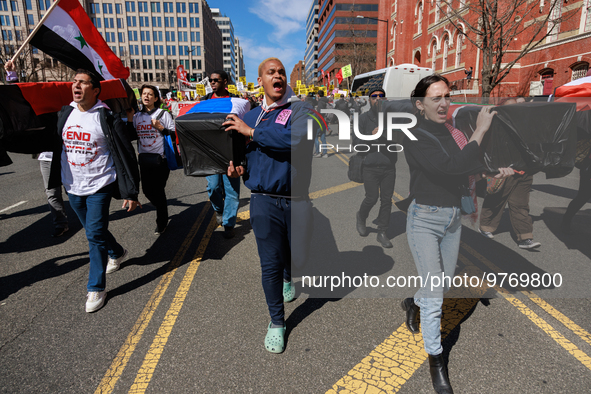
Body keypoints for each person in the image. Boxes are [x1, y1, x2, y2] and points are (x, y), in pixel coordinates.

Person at [401, 74, 512, 393]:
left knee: (443, 281)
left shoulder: (454, 132)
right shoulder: (414, 134)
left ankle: (413, 302)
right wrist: (480, 130)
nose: (443, 103)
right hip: (424, 218)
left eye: (446, 96)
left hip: (452, 218)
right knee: (437, 293)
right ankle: (436, 362)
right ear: (420, 105)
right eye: (435, 98)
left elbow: (466, 166)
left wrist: (493, 170)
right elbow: (447, 168)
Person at [223, 57, 315, 354]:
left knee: (296, 256)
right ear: (260, 81)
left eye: (281, 72)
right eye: (270, 72)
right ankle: (277, 321)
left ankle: (290, 275)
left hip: (297, 200)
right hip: (263, 201)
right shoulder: (248, 117)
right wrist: (238, 167)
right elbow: (242, 157)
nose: (278, 75)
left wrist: (252, 134)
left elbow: (296, 139)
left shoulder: (301, 109)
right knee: (270, 263)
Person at [47, 69, 141, 312]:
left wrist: (131, 192)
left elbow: (126, 154)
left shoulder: (106, 117)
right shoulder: (65, 113)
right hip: (72, 185)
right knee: (93, 230)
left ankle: (96, 288)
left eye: (82, 82)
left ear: (95, 90)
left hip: (100, 184)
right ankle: (117, 252)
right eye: (74, 82)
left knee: (94, 235)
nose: (75, 85)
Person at [4, 60, 70, 236]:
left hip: (69, 156)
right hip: (47, 156)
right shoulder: (34, 109)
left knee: (73, 190)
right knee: (52, 191)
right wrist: (12, 76)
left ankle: (87, 219)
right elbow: (18, 99)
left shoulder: (66, 108)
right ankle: (60, 223)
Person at [478, 98, 540, 249]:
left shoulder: (527, 125)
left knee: (521, 205)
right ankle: (486, 226)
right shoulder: (498, 127)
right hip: (503, 171)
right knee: (497, 200)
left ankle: (525, 237)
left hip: (524, 172)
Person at [355, 88, 397, 248]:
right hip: (370, 167)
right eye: (374, 96)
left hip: (389, 167)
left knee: (386, 200)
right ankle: (361, 216)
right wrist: (371, 137)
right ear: (369, 100)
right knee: (371, 198)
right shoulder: (363, 119)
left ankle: (382, 232)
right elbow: (357, 146)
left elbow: (400, 141)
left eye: (381, 96)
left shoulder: (392, 119)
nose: (378, 99)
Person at [201, 70, 241, 238]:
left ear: (225, 81)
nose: (212, 83)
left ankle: (229, 224)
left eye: (216, 80)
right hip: (210, 152)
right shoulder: (204, 100)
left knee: (231, 191)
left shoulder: (236, 101)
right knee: (213, 186)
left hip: (231, 152)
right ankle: (218, 208)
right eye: (210, 80)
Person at [133, 84, 175, 234]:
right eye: (144, 94)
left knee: (158, 190)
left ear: (156, 98)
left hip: (160, 160)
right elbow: (135, 136)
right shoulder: (137, 117)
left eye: (150, 94)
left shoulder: (163, 114)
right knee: (147, 191)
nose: (146, 96)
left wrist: (161, 128)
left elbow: (173, 134)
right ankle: (162, 208)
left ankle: (162, 222)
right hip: (144, 159)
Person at [313, 90, 328, 158]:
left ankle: (318, 152)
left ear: (319, 95)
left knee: (315, 136)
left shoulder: (321, 102)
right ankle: (325, 153)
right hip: (324, 121)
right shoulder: (325, 101)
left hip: (320, 122)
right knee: (322, 137)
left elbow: (320, 113)